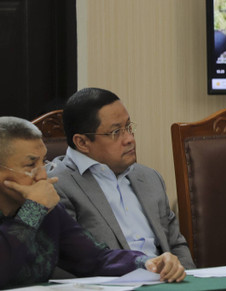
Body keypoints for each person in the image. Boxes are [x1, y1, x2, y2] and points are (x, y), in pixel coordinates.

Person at [0, 117, 185, 288]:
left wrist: (146, 263)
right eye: (30, 166)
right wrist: (34, 210)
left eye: (43, 162)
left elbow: (95, 258)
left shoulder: (47, 209)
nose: (42, 175)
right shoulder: (37, 206)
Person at [49, 88, 195, 269]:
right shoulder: (56, 185)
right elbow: (73, 262)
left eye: (128, 127)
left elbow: (176, 245)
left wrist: (188, 279)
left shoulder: (149, 177)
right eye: (116, 132)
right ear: (82, 143)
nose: (129, 139)